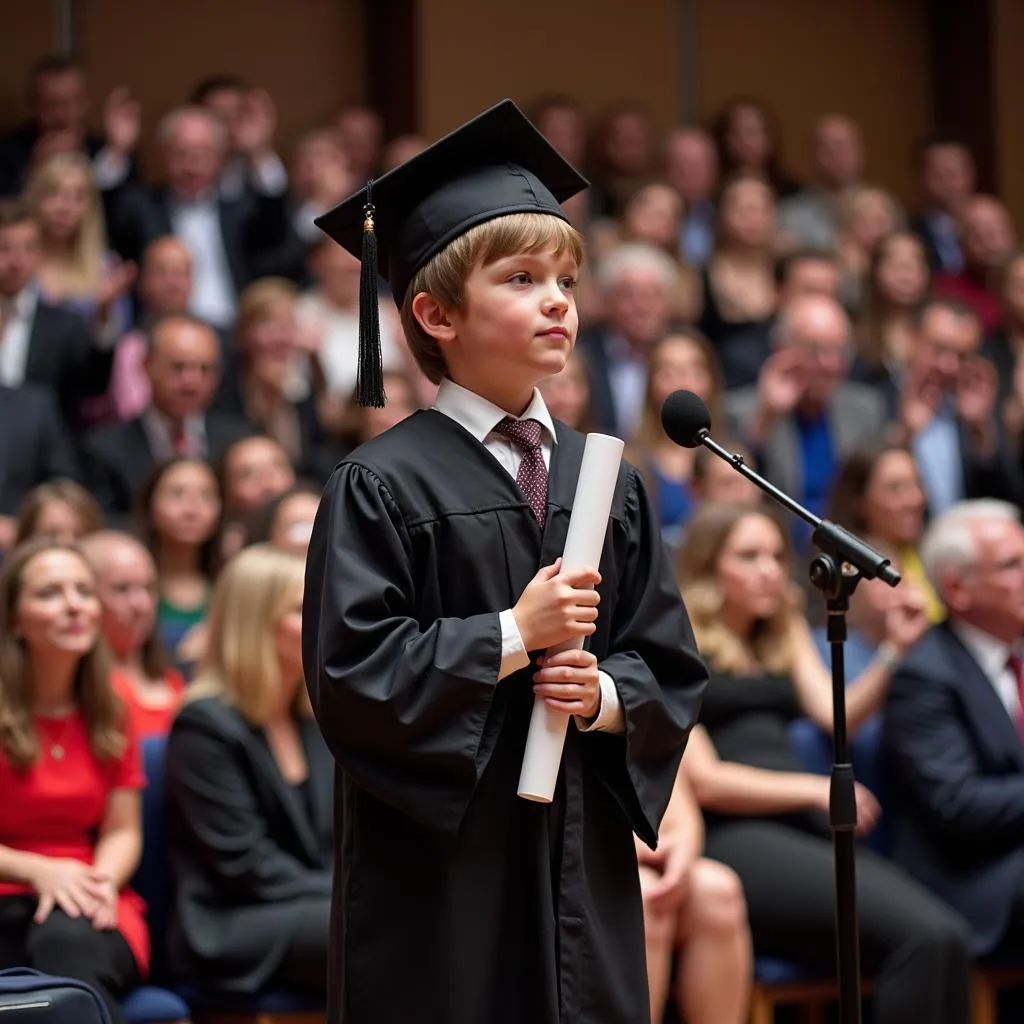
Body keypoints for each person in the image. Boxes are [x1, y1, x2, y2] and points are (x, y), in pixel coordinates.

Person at [302, 99, 707, 1024]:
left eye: (566, 276)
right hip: (444, 879)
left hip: (580, 862)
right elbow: (350, 678)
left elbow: (667, 659)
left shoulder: (608, 479)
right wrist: (508, 637)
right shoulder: (379, 485)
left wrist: (603, 699)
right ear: (435, 313)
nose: (558, 298)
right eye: (522, 278)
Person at [676, 502, 973, 1024]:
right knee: (921, 939)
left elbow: (838, 718)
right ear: (707, 567)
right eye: (748, 556)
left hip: (800, 828)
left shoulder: (781, 632)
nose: (769, 569)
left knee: (947, 936)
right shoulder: (676, 644)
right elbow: (706, 780)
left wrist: (892, 653)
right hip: (735, 835)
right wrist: (814, 790)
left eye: (774, 554)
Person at [165, 545, 332, 998]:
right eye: (303, 607)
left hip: (306, 903)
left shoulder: (312, 716)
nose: (325, 617)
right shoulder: (203, 726)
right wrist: (349, 890)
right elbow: (245, 865)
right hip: (231, 923)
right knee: (377, 924)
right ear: (256, 622)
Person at [0, 541, 147, 1024]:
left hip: (93, 901)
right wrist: (40, 871)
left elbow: (123, 830)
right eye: (50, 593)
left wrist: (100, 883)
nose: (73, 605)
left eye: (84, 590)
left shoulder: (112, 705)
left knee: (66, 938)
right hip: (9, 893)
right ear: (15, 621)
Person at [884, 500, 1024, 961]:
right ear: (957, 589)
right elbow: (958, 803)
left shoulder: (1016, 653)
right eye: (1011, 565)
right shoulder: (925, 674)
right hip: (973, 877)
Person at [639, 772, 751, 1024]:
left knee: (716, 891)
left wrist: (683, 844)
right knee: (645, 900)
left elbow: (677, 789)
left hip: (650, 855)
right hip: (575, 855)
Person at [79, 531, 184, 738]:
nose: (142, 605)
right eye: (121, 589)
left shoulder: (175, 681)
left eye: (149, 588)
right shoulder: (81, 694)